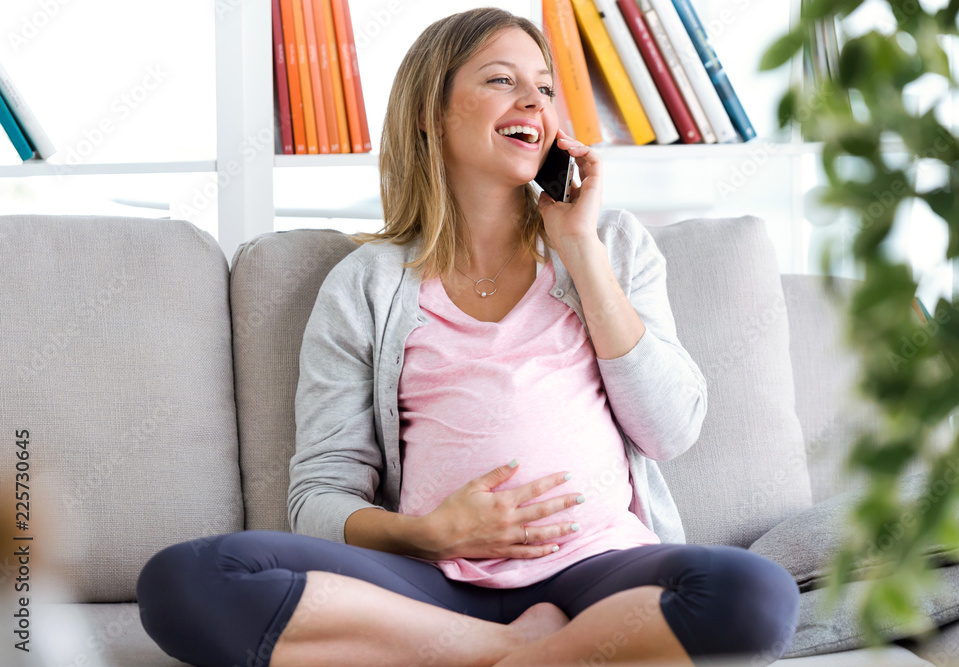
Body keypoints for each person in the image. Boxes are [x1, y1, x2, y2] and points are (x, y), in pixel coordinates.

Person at [136, 8, 800, 666]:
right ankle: (512, 648)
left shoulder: (614, 247)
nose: (533, 103)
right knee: (184, 582)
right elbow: (319, 496)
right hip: (430, 583)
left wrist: (580, 249)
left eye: (544, 87)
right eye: (500, 81)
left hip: (597, 571)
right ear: (430, 111)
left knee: (756, 595)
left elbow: (671, 429)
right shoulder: (365, 284)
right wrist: (429, 533)